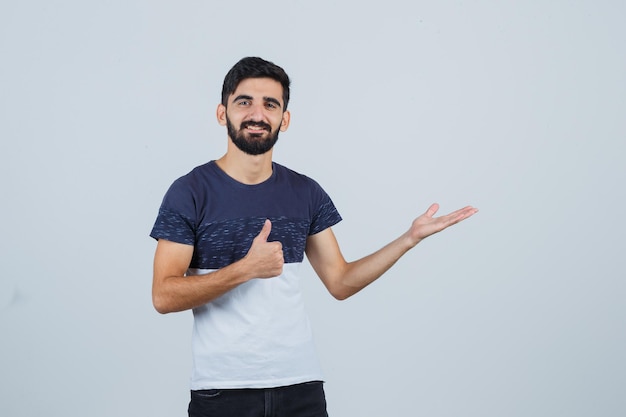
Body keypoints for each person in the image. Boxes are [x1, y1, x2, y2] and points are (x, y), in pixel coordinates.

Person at [150, 56, 478, 417]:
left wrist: (408, 239)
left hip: (301, 389)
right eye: (244, 102)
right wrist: (245, 269)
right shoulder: (190, 192)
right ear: (221, 113)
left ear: (284, 120)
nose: (257, 113)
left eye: (270, 104)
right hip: (222, 392)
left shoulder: (305, 192)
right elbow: (163, 295)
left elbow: (340, 282)